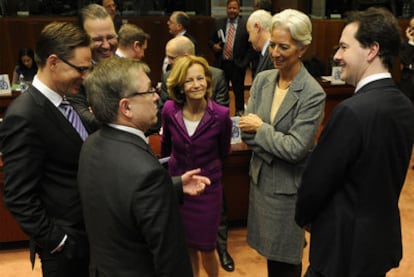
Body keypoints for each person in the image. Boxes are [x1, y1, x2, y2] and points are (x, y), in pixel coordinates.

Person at [295, 7, 414, 277]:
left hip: (342, 250)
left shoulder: (351, 111)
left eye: (344, 47)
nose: (337, 56)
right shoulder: (404, 105)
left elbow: (316, 182)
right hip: (377, 246)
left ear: (371, 50)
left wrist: (305, 218)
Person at [79, 57, 194, 276]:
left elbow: (119, 198)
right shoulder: (148, 173)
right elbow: (171, 259)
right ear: (126, 107)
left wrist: (173, 187)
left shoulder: (91, 144)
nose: (156, 97)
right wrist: (161, 187)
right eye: (149, 91)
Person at [0, 21, 92, 277]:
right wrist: (58, 241)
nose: (85, 76)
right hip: (65, 250)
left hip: (89, 239)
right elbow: (18, 196)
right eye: (80, 69)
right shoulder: (24, 115)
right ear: (53, 62)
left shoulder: (68, 100)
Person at [239, 9, 326, 277]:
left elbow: (296, 149)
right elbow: (245, 133)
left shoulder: (312, 93)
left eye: (284, 47)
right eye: (273, 44)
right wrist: (270, 139)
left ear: (303, 48)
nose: (275, 52)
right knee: (271, 257)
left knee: (286, 260)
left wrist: (262, 128)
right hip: (261, 182)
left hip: (288, 192)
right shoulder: (264, 80)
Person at [161, 35, 233, 271]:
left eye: (200, 78)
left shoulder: (221, 114)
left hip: (207, 189)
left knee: (207, 247)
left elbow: (224, 152)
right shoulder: (170, 110)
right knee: (187, 246)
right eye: (190, 80)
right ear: (180, 85)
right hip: (180, 188)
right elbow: (166, 149)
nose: (197, 85)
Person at [68, 3, 118, 133]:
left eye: (111, 37)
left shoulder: (127, 67)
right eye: (98, 39)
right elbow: (86, 121)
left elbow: (153, 118)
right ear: (81, 39)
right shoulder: (73, 75)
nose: (106, 46)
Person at [208, 0, 255, 116]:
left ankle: (238, 119)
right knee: (220, 92)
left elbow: (250, 47)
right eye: (230, 8)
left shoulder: (245, 25)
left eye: (234, 8)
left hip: (238, 65)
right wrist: (214, 46)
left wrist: (245, 63)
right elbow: (210, 40)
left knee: (238, 94)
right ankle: (221, 116)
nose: (232, 11)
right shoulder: (218, 23)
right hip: (221, 64)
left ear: (239, 10)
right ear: (226, 9)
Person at [247, 9, 274, 79]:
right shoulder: (266, 53)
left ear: (257, 27)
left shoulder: (273, 55)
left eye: (249, 33)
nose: (249, 39)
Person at [399, 16, 414, 103]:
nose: (412, 31)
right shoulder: (405, 44)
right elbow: (405, 61)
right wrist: (411, 42)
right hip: (408, 84)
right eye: (411, 27)